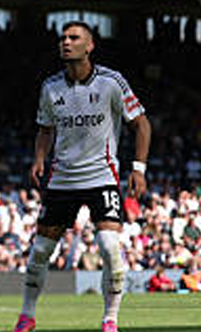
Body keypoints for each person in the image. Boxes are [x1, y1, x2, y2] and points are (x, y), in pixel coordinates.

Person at [13, 21, 151, 332]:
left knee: (109, 246)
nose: (66, 42)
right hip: (62, 180)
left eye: (74, 37)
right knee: (41, 251)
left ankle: (110, 320)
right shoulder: (51, 87)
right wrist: (39, 157)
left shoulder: (112, 82)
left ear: (89, 46)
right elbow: (45, 128)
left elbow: (141, 124)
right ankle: (26, 316)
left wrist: (138, 169)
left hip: (101, 176)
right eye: (63, 37)